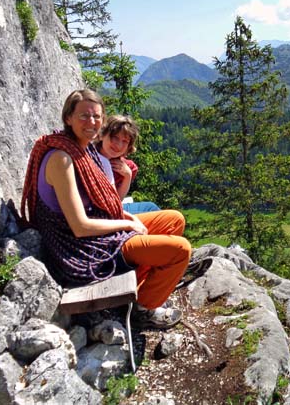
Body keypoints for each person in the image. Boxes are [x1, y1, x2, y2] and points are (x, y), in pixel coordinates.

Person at [21, 89, 190, 328]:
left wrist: (128, 216)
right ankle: (144, 309)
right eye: (84, 116)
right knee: (180, 251)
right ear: (68, 118)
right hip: (82, 248)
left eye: (96, 116)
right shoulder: (62, 159)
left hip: (100, 232)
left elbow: (104, 203)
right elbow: (80, 227)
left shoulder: (84, 148)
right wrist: (129, 223)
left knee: (174, 220)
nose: (91, 122)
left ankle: (141, 285)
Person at [95, 114, 160, 214]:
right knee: (152, 210)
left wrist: (127, 176)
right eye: (115, 137)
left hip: (113, 207)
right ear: (102, 135)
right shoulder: (89, 158)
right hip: (100, 212)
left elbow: (117, 200)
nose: (118, 145)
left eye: (125, 141)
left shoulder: (127, 167)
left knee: (151, 207)